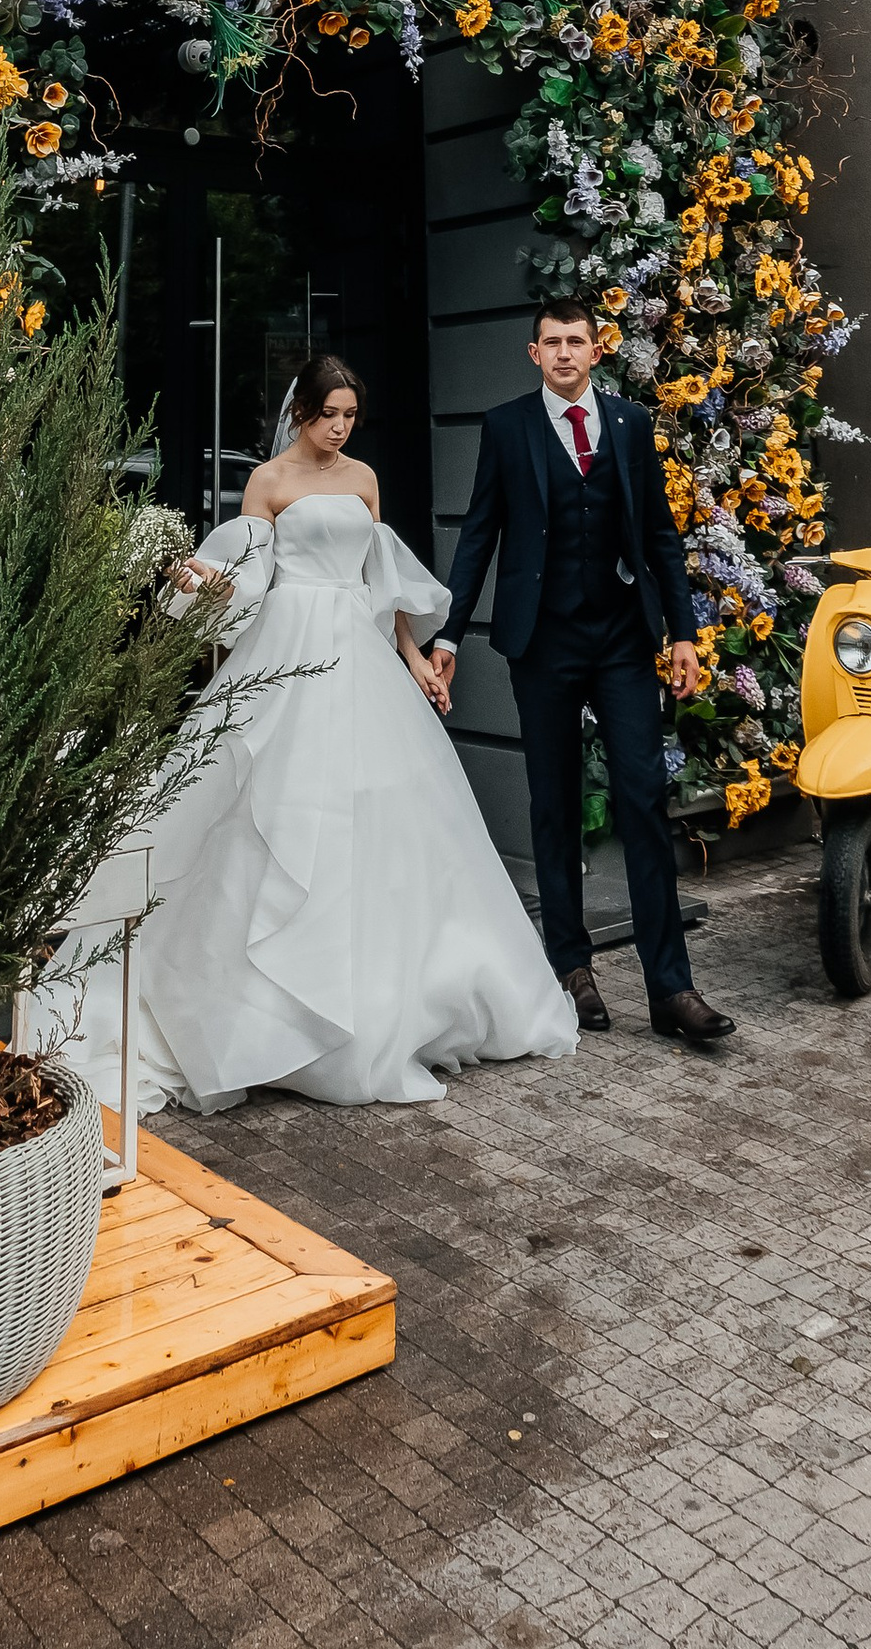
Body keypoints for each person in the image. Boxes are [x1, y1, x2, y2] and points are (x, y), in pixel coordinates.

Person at [56, 353, 578, 1113]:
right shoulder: (268, 482)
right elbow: (248, 581)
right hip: (288, 648)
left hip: (358, 652)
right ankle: (254, 1011)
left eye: (350, 416)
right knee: (270, 804)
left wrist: (416, 662)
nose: (339, 428)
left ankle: (386, 1004)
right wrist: (203, 582)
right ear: (301, 411)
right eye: (328, 414)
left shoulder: (364, 479)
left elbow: (381, 587)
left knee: (379, 812)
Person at [425, 301, 733, 1051]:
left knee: (643, 797)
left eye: (577, 341)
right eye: (552, 343)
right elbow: (479, 535)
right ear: (534, 353)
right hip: (544, 641)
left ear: (597, 350)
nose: (565, 353)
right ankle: (571, 967)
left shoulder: (629, 424)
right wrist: (449, 634)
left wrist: (682, 634)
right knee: (555, 802)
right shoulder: (506, 426)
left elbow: (658, 533)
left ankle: (672, 989)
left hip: (622, 639)